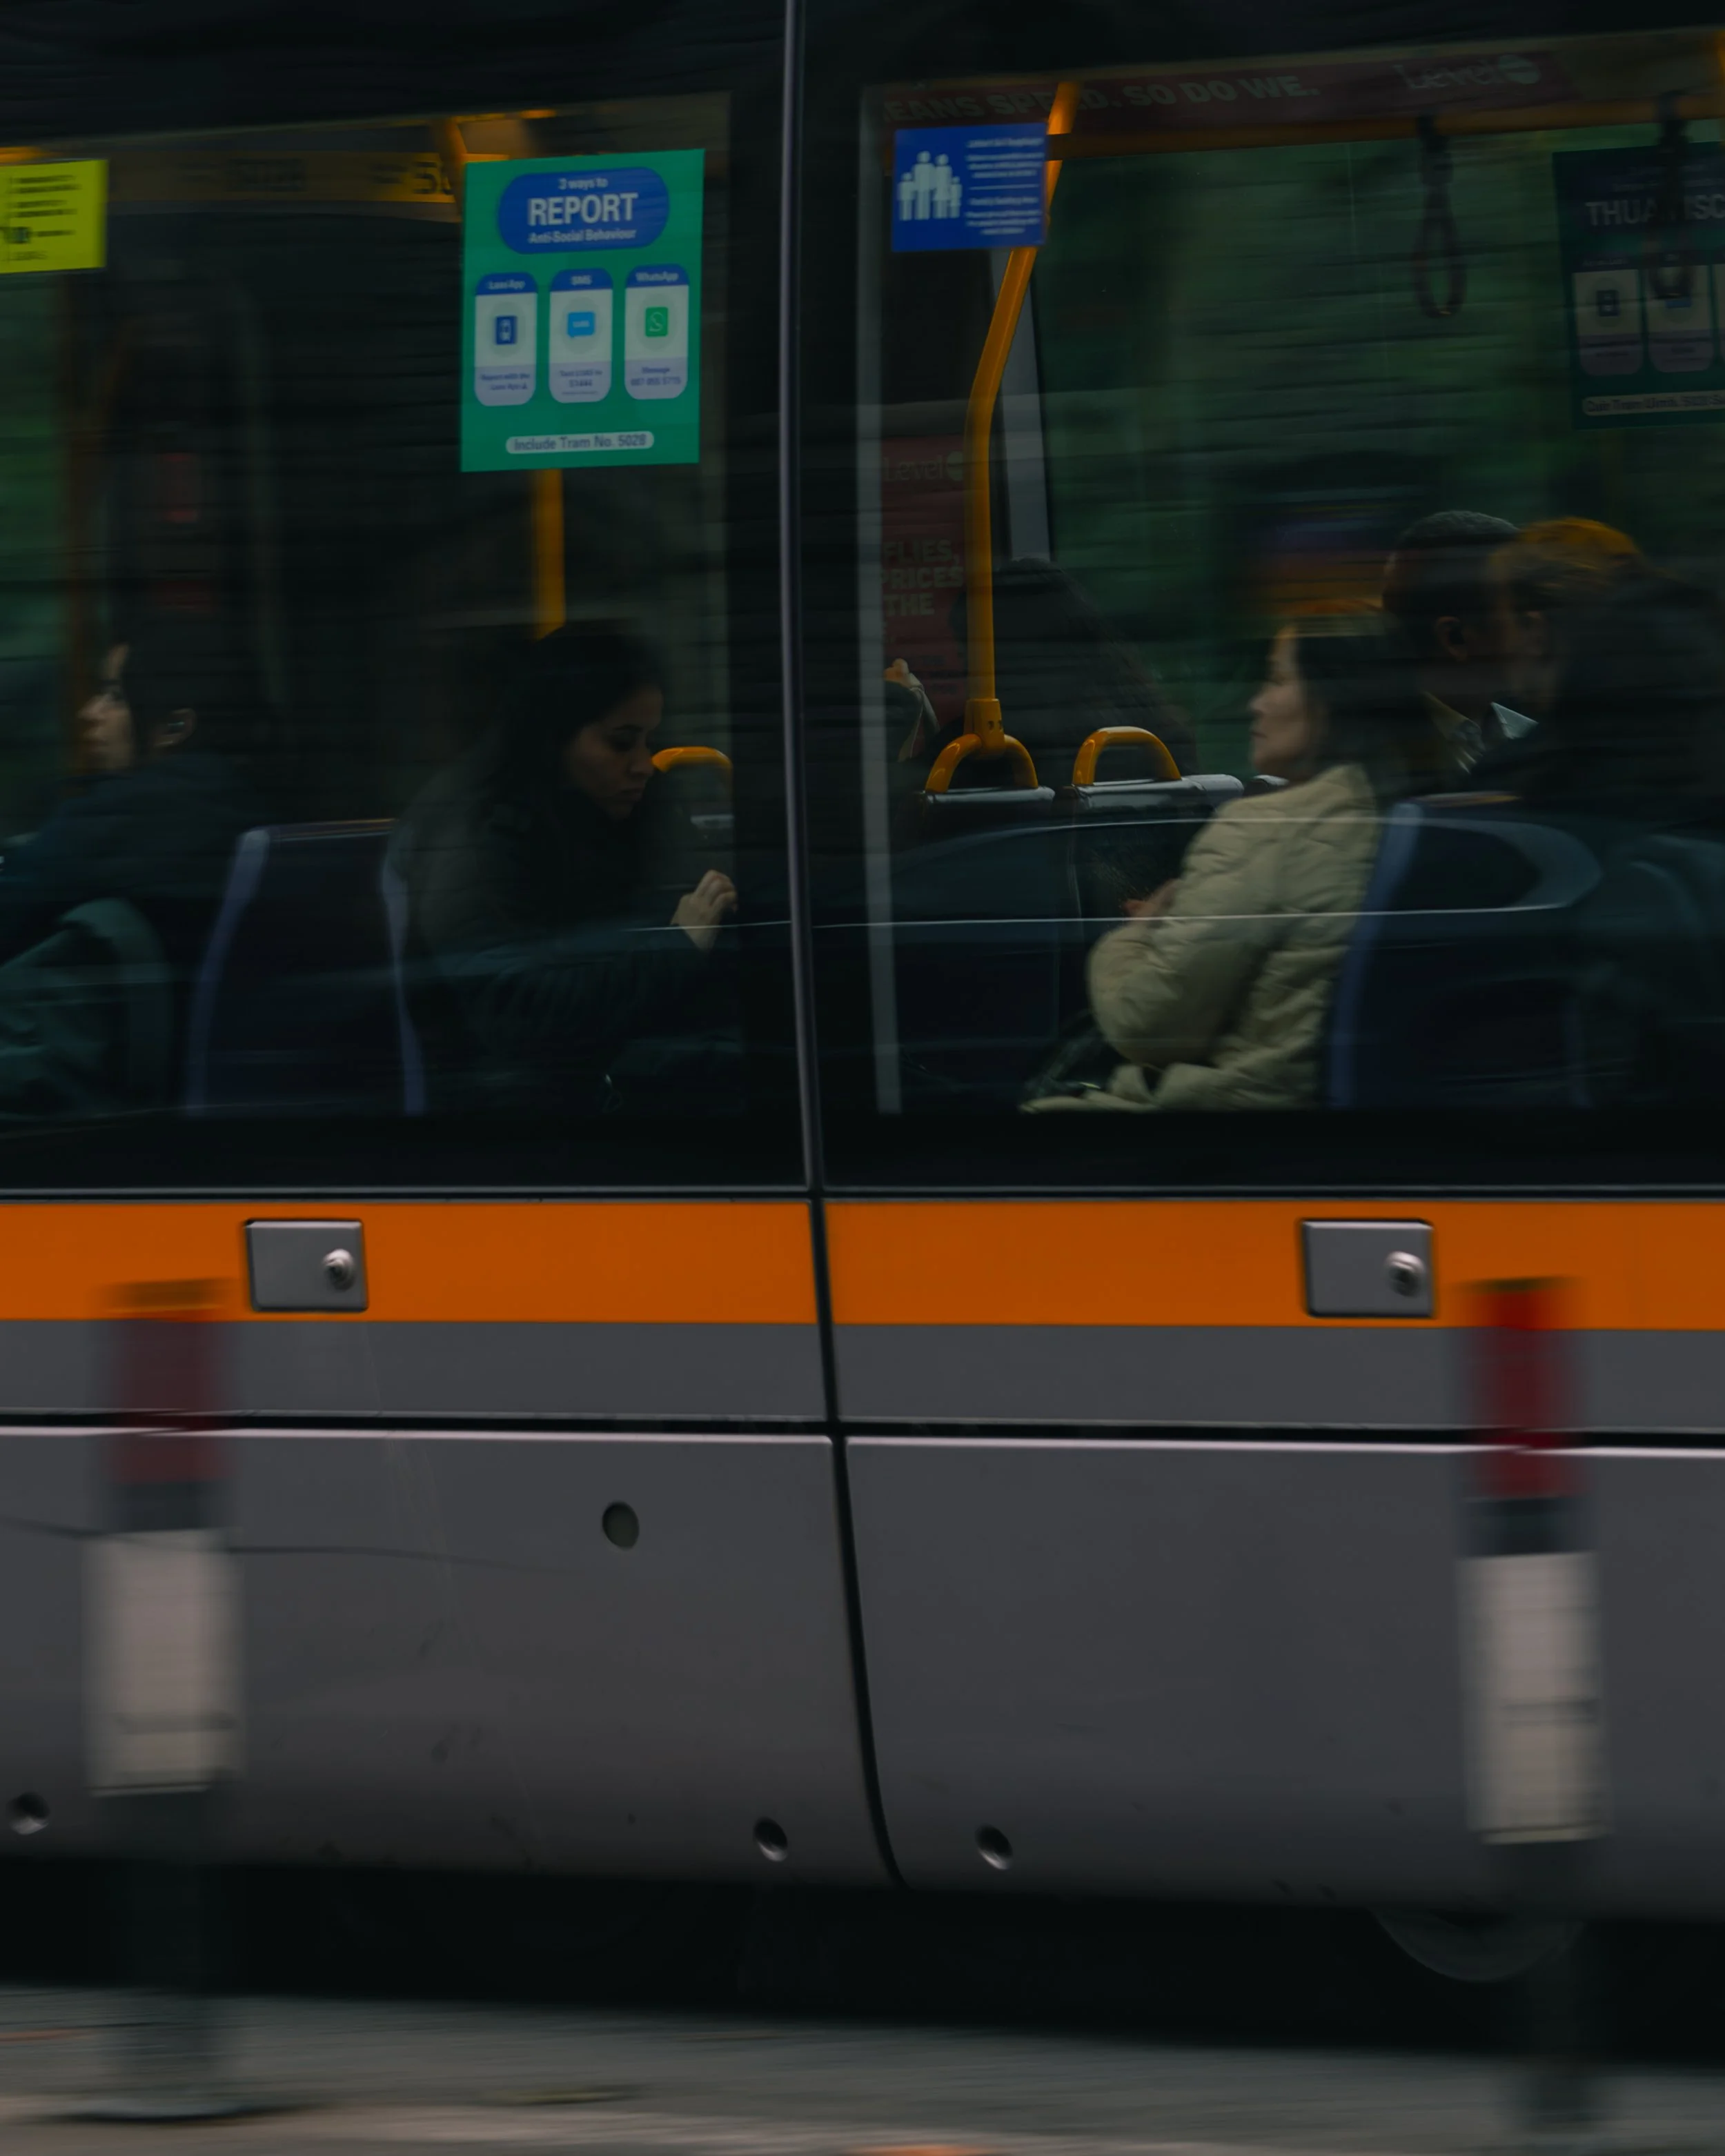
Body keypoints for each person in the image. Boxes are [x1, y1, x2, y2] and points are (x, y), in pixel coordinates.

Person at [1029, 613, 1419, 1111]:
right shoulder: (1406, 814)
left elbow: (1146, 1024)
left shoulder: (1264, 829)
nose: (1254, 704)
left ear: (1330, 702)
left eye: (1277, 680)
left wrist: (1137, 933)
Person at [395, 622, 738, 1113]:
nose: (644, 763)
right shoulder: (474, 838)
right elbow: (520, 1015)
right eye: (622, 742)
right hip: (524, 1116)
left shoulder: (603, 810)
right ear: (555, 737)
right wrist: (678, 945)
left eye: (649, 740)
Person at [0, 617, 270, 977]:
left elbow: (13, 902)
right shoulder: (249, 802)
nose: (90, 713)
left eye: (114, 696)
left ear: (174, 727)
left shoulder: (130, 813)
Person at [891, 556, 1199, 792]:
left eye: (969, 647)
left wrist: (898, 709)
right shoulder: (1150, 732)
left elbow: (894, 810)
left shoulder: (991, 745)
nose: (964, 664)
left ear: (1001, 653)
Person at [1380, 508, 1519, 777]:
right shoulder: (1380, 761)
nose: (1541, 632)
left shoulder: (1526, 733)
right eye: (1522, 617)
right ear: (1454, 638)